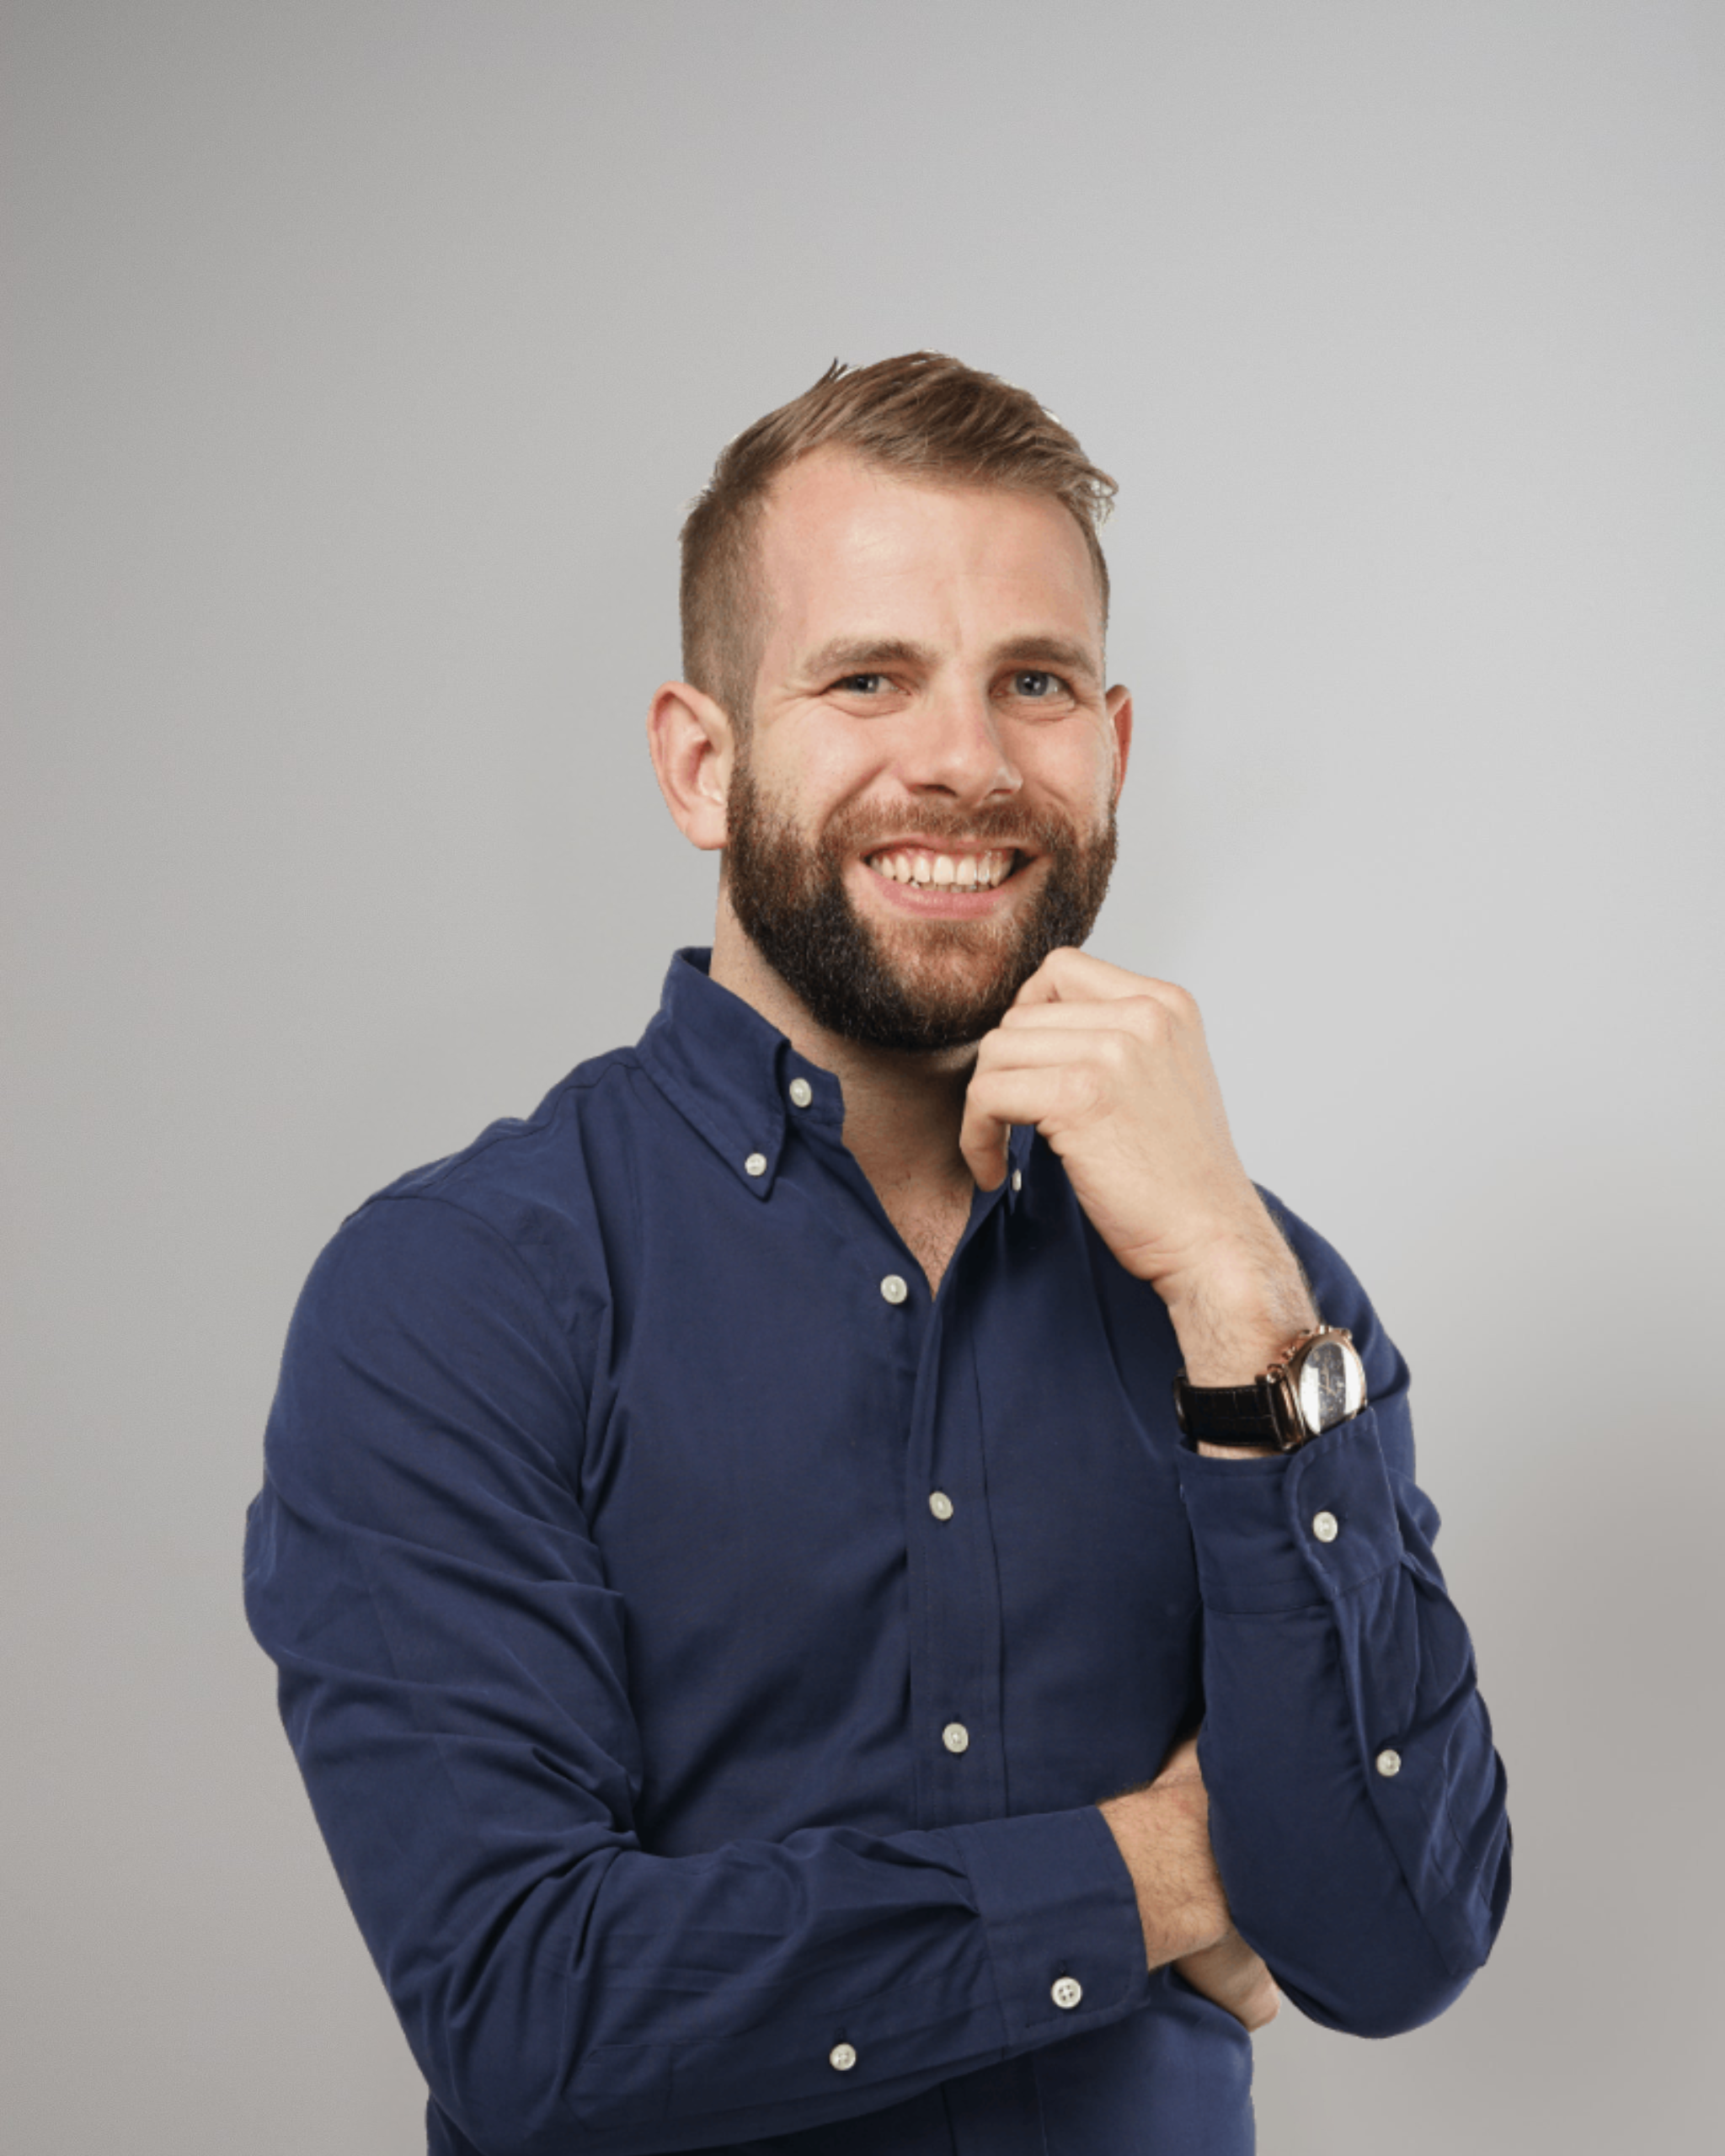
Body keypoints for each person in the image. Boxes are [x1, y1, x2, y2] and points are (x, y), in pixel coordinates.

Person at [244, 352, 1510, 2156]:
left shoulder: (1258, 1294)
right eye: (866, 678)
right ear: (703, 759)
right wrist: (1155, 1867)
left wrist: (1233, 1292)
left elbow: (1394, 1939)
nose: (965, 762)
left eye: (1035, 683)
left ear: (1113, 748)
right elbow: (536, 2011)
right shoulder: (456, 1297)